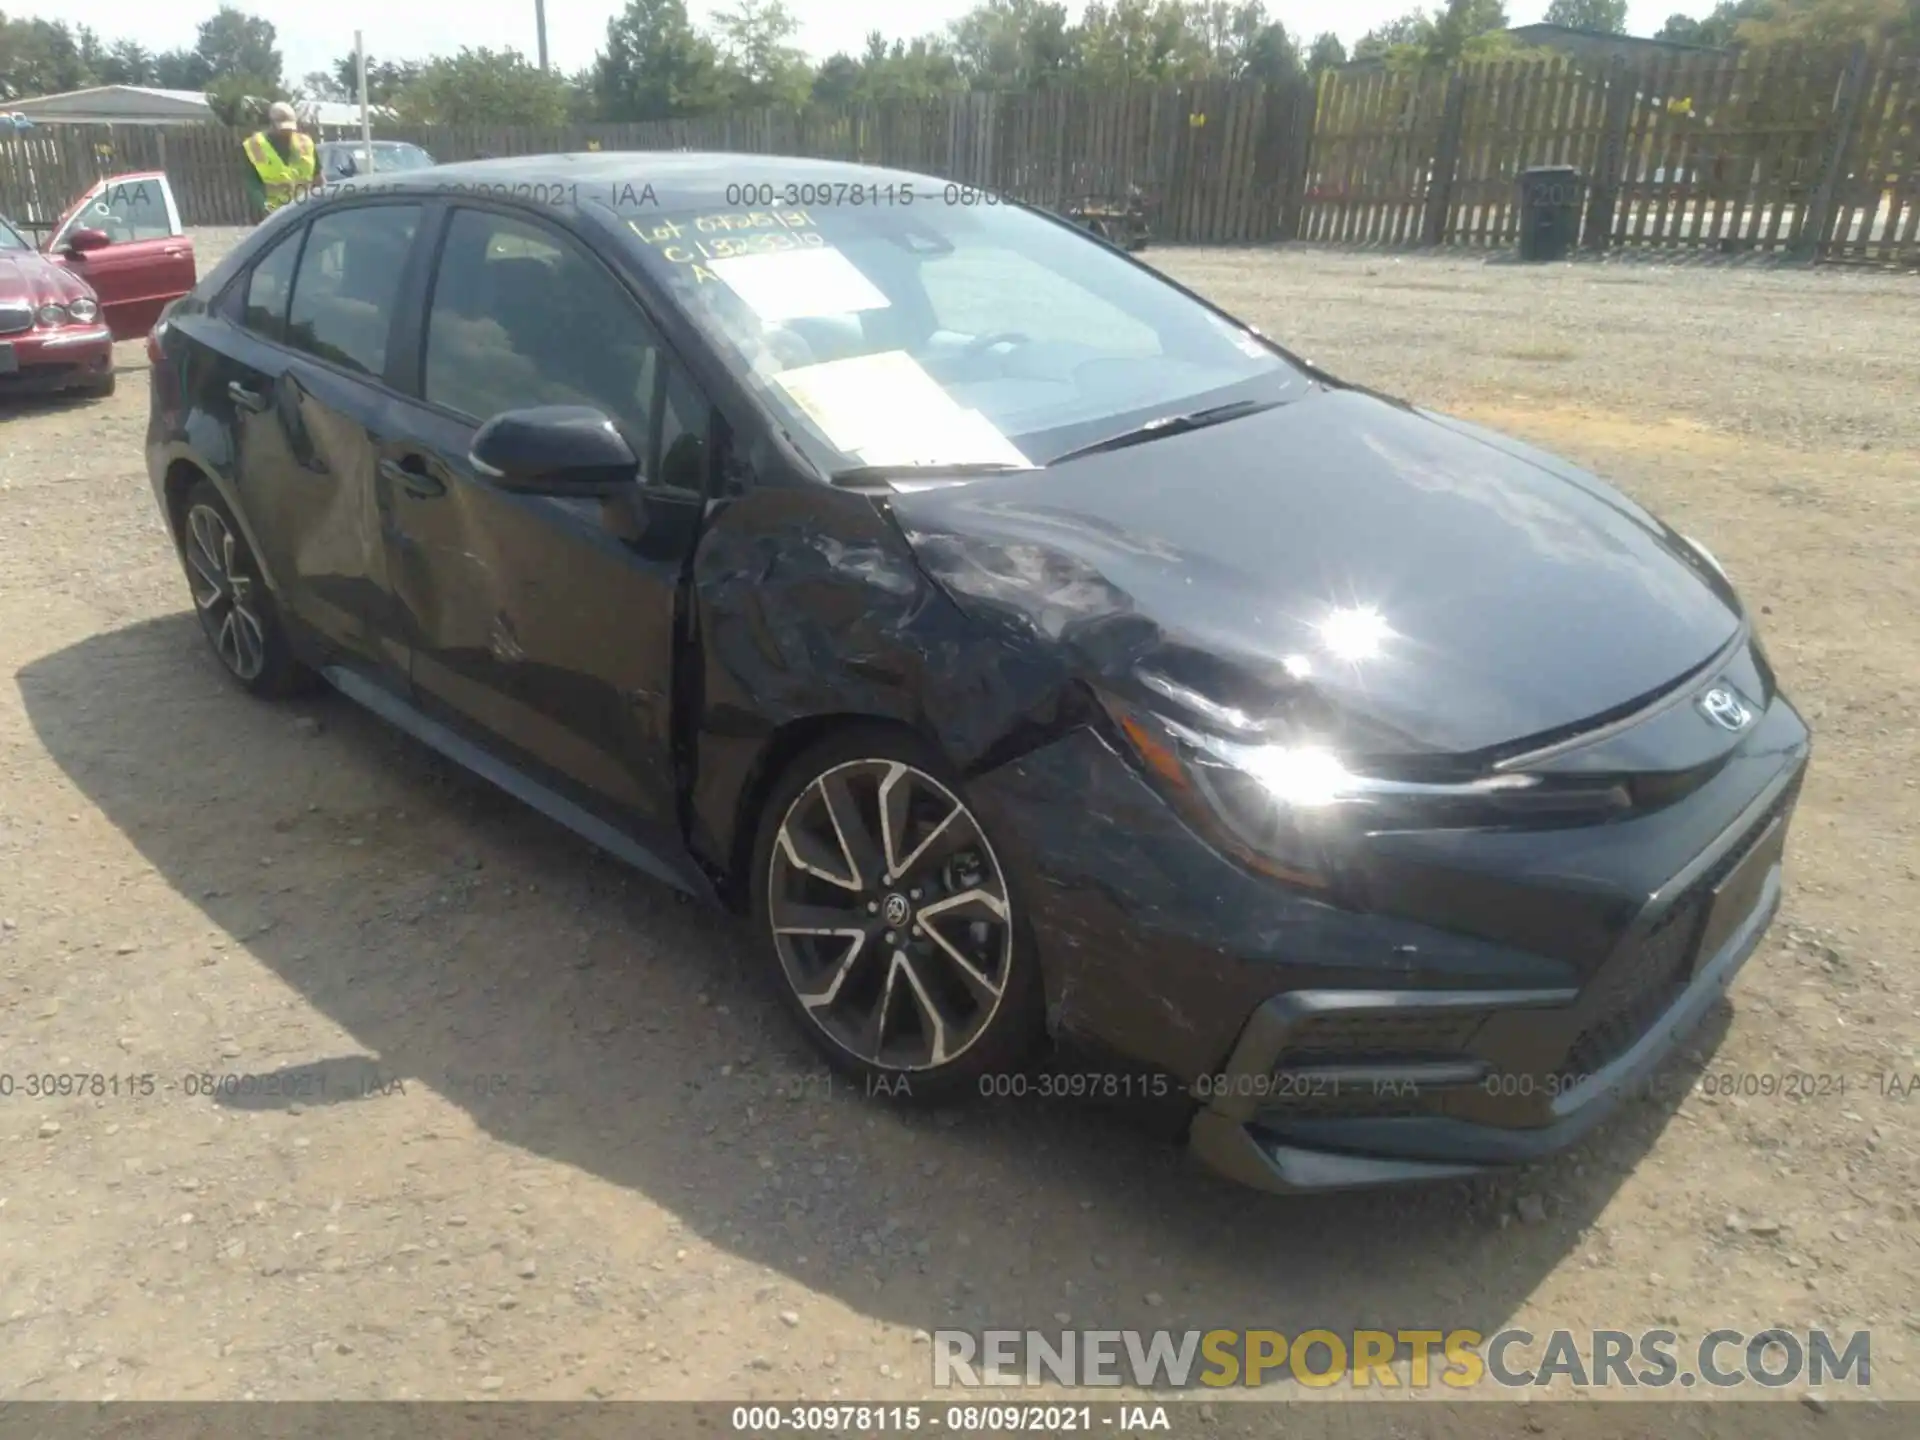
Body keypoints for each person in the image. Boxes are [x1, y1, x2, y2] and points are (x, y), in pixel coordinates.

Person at [242, 102, 317, 221]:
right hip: (274, 215)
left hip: (304, 211)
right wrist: (264, 207)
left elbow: (319, 177)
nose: (286, 133)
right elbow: (252, 183)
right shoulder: (255, 146)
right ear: (271, 124)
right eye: (282, 129)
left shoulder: (305, 143)